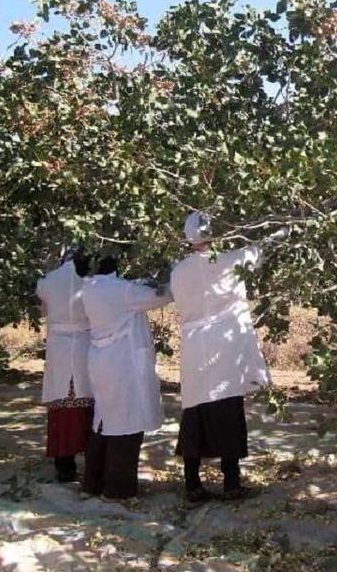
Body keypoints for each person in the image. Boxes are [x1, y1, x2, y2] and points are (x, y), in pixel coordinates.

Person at [171, 211, 271, 502]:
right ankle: (231, 483)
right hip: (226, 346)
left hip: (194, 345)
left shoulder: (179, 271)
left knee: (194, 413)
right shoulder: (231, 259)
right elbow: (261, 249)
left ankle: (192, 483)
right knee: (228, 410)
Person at [80, 254, 171, 500]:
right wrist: (170, 272)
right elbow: (162, 295)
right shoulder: (123, 291)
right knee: (126, 425)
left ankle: (92, 483)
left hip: (101, 360)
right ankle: (117, 489)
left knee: (102, 422)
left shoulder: (89, 287)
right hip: (123, 364)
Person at [36, 250, 94, 483]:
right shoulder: (90, 282)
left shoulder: (46, 282)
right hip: (85, 344)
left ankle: (65, 466)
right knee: (87, 402)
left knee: (62, 404)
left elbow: (43, 310)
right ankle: (92, 462)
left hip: (59, 348)